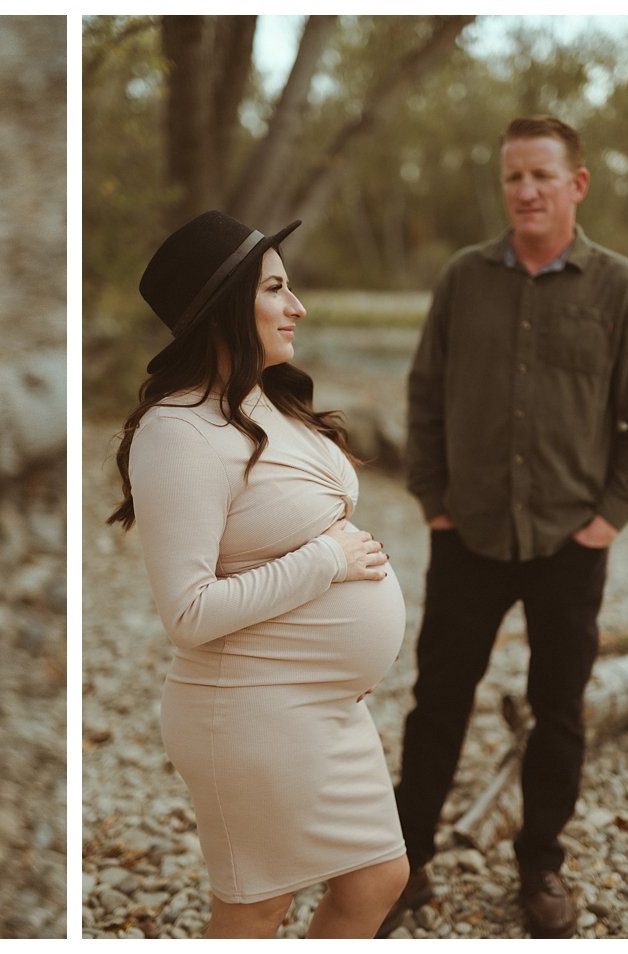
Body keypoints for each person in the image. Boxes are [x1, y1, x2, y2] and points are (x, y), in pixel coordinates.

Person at [383, 115, 628, 939]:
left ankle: (540, 865)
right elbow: (425, 399)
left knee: (560, 709)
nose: (526, 190)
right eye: (513, 176)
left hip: (568, 546)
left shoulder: (622, 289)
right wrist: (433, 499)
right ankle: (407, 866)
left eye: (542, 175)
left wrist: (606, 522)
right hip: (465, 534)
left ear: (577, 184)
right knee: (437, 701)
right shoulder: (463, 279)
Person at [109, 211, 411, 938]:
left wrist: (341, 661)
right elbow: (186, 613)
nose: (297, 307)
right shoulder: (177, 431)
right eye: (277, 288)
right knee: (257, 907)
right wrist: (327, 563)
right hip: (247, 707)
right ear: (224, 309)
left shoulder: (267, 401)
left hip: (320, 703)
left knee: (377, 879)